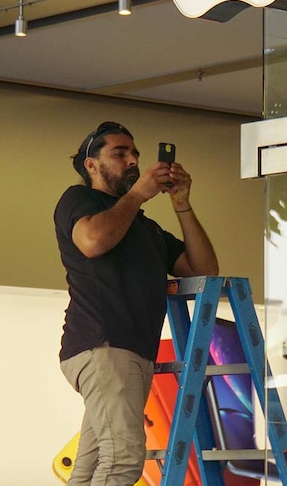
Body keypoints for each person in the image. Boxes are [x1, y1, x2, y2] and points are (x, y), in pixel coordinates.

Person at [54, 121, 219, 486]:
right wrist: (138, 195)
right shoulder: (79, 200)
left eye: (135, 154)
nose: (132, 161)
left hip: (128, 354)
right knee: (124, 460)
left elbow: (205, 272)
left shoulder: (146, 228)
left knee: (92, 464)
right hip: (104, 345)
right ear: (91, 165)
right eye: (120, 153)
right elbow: (93, 242)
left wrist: (182, 205)